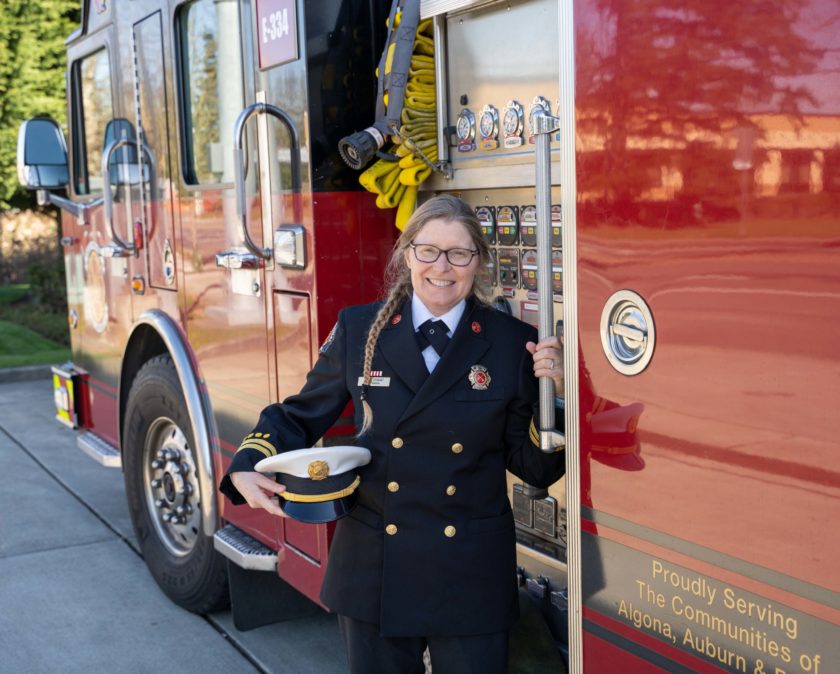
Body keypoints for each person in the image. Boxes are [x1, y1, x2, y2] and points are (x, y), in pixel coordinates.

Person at [220, 194, 565, 674]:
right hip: (376, 565)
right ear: (407, 254)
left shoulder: (508, 342)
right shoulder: (360, 328)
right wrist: (244, 467)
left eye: (459, 253)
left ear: (478, 262)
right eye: (428, 250)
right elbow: (300, 415)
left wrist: (558, 402)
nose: (441, 267)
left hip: (468, 570)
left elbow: (535, 467)